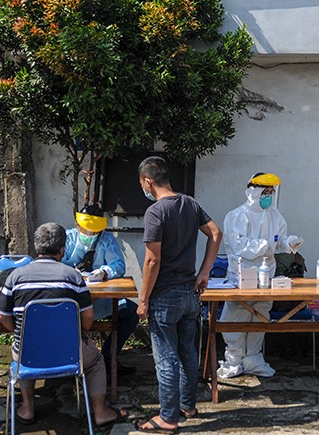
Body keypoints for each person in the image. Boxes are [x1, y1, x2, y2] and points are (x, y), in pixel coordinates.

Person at [0, 222, 128, 429]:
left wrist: (22, 333)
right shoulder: (73, 277)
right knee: (95, 362)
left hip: (27, 351)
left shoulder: (15, 277)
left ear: (36, 247)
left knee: (25, 352)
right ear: (62, 249)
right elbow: (88, 320)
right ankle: (101, 412)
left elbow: (3, 316)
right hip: (69, 351)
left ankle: (28, 407)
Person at [135, 156, 222, 434]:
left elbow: (152, 261)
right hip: (190, 293)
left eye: (142, 184)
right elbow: (215, 233)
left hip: (165, 295)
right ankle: (188, 405)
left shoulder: (155, 212)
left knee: (166, 359)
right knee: (187, 353)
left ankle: (168, 418)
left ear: (148, 181)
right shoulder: (190, 204)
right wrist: (204, 272)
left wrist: (143, 300)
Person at [217, 172, 303, 378]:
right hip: (242, 275)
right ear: (253, 192)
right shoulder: (237, 216)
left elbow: (278, 240)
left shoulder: (274, 215)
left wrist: (289, 242)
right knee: (236, 316)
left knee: (261, 314)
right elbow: (238, 245)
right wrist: (264, 245)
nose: (269, 196)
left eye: (271, 192)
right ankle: (234, 360)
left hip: (267, 275)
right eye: (265, 192)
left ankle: (253, 359)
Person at [62, 204, 138, 376]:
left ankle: (109, 357)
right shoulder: (67, 238)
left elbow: (118, 265)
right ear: (77, 224)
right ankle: (68, 357)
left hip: (101, 299)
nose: (90, 233)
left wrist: (105, 272)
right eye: (86, 229)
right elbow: (56, 263)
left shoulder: (107, 239)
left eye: (95, 231)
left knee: (131, 313)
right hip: (71, 299)